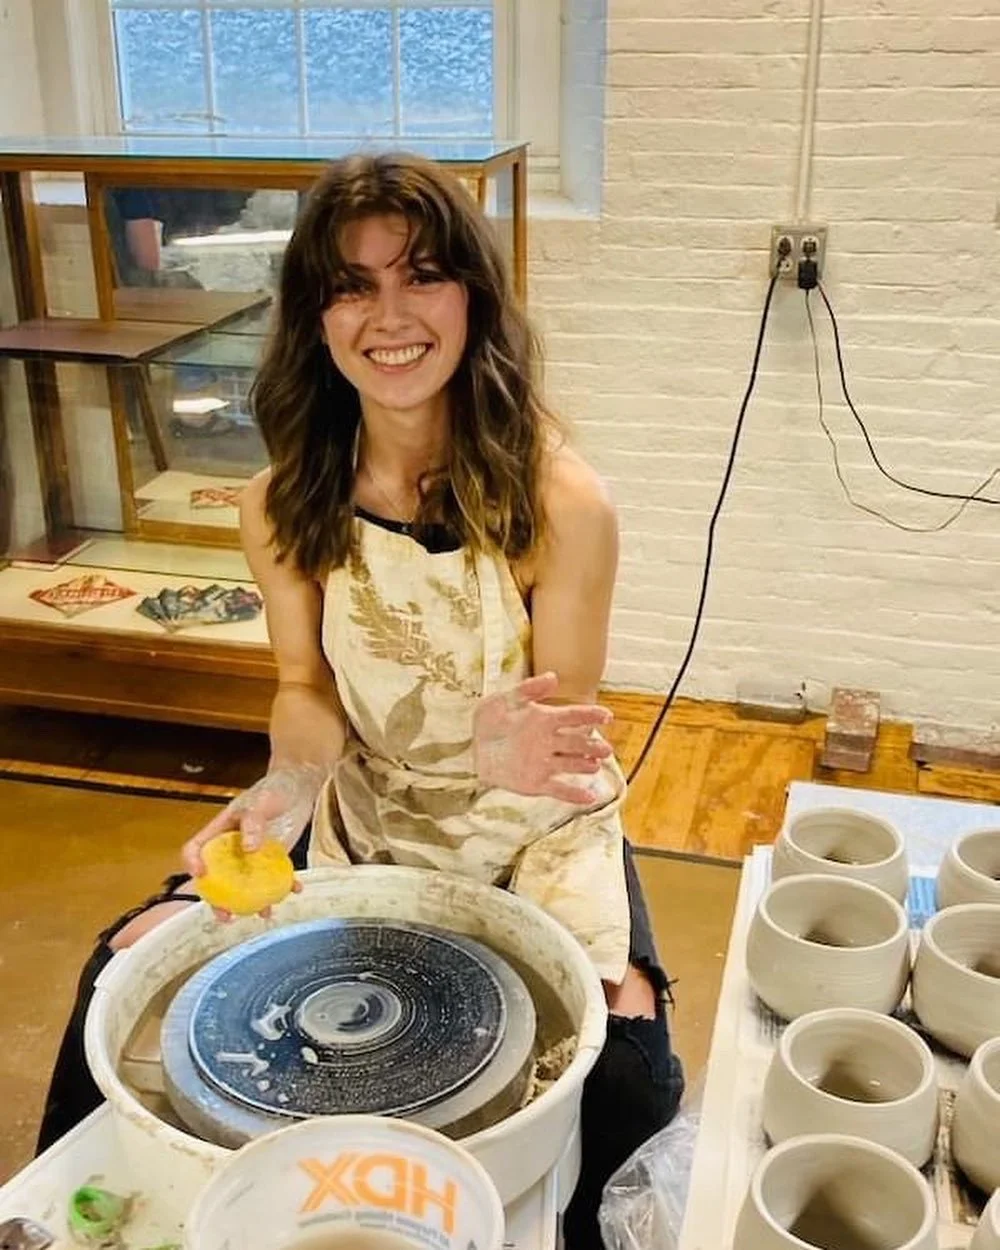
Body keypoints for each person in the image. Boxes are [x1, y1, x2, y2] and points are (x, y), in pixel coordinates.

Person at [38, 153, 684, 1249]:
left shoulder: (561, 499)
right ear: (314, 317)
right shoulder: (283, 498)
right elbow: (304, 688)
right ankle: (77, 1220)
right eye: (351, 285)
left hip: (530, 815)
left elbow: (559, 725)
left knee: (622, 1069)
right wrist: (286, 787)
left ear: (472, 296)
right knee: (126, 959)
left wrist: (496, 744)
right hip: (365, 803)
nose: (389, 315)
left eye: (420, 275)